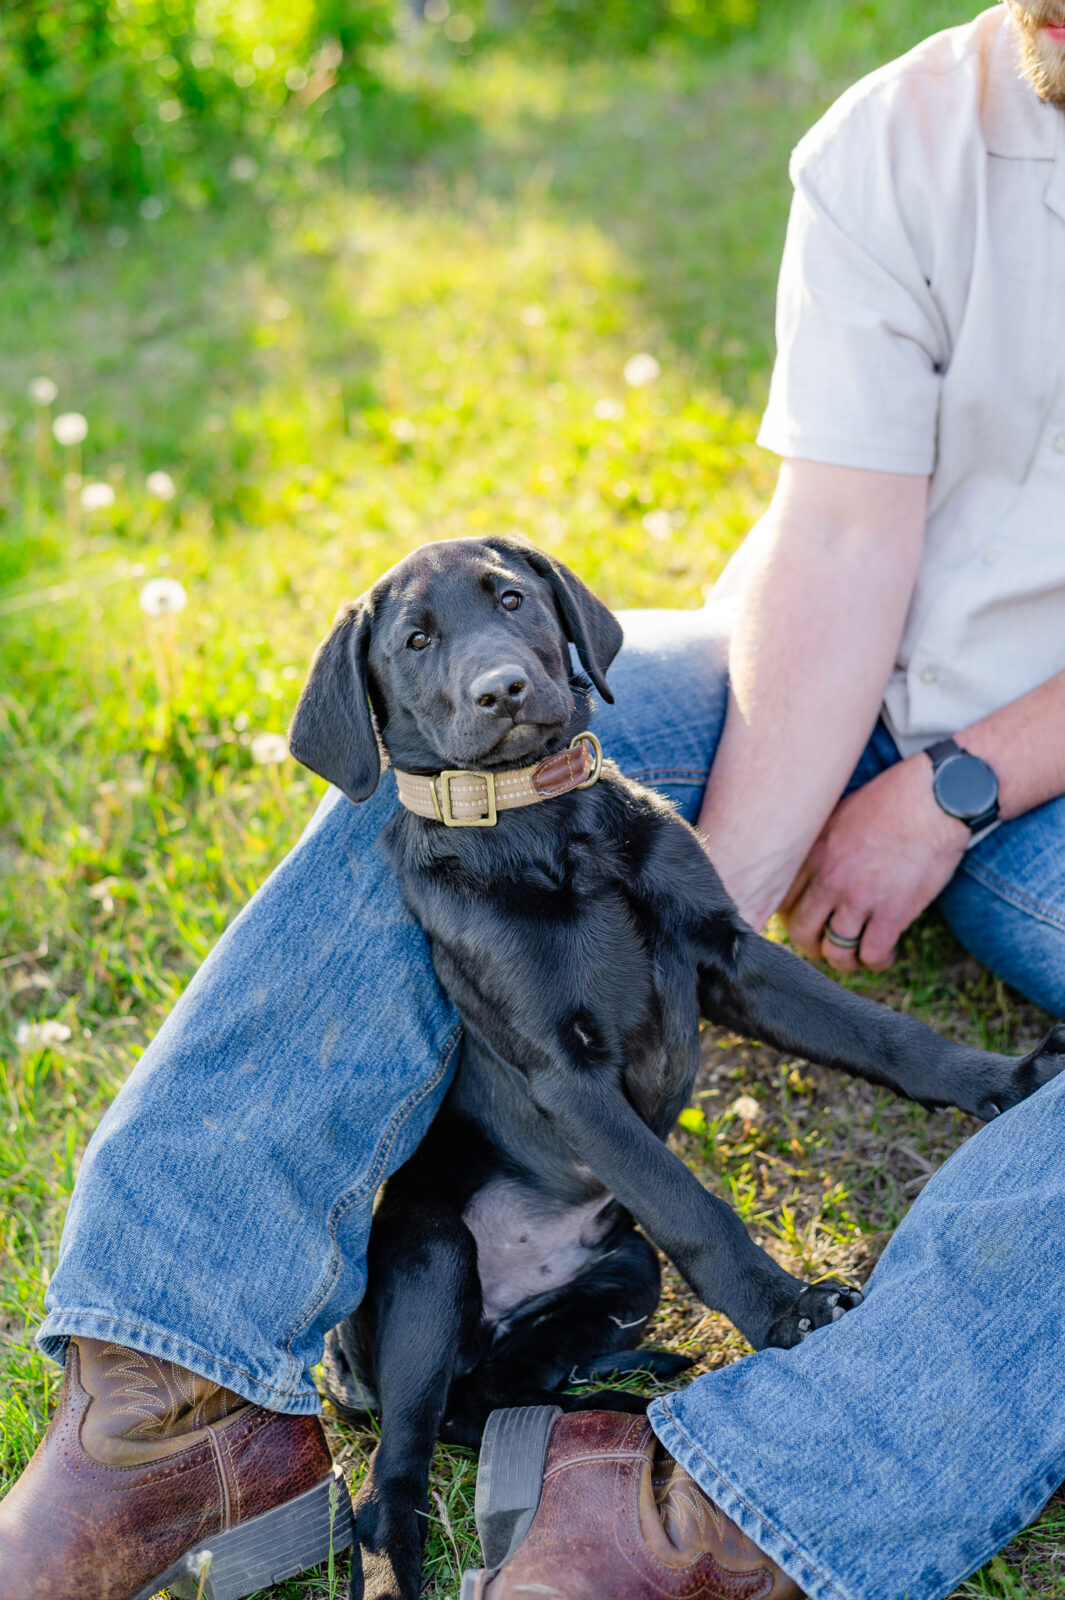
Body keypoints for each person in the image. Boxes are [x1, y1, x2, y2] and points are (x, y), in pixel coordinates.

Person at [2, 3, 1064, 1598]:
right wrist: (694, 908)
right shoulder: (904, 135)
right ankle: (172, 1399)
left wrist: (962, 786)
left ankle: (732, 1505)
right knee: (435, 774)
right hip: (839, 673)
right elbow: (844, 533)